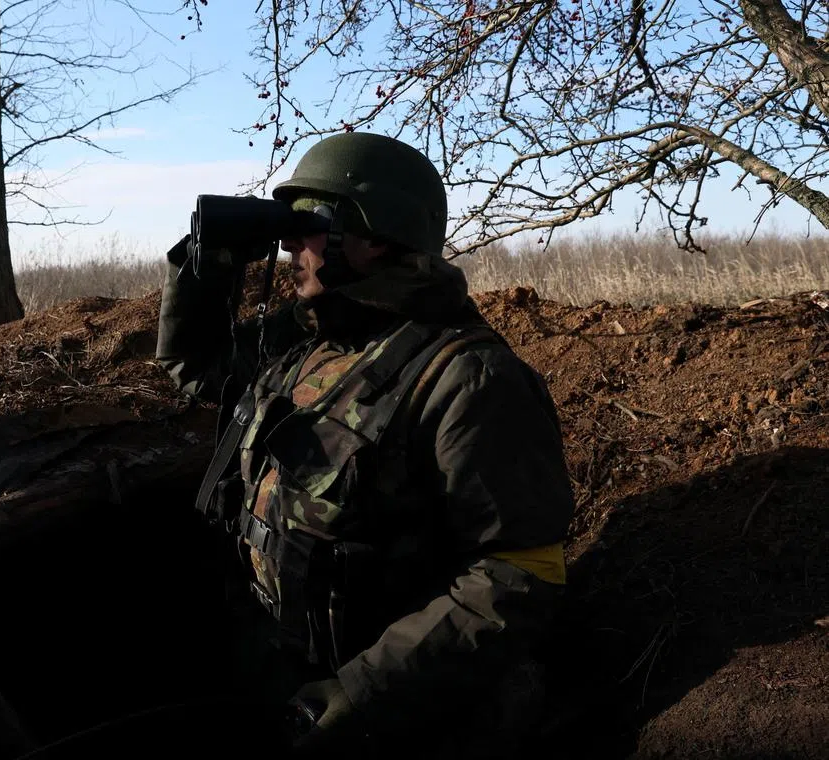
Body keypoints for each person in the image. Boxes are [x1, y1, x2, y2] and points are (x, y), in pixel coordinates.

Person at [155, 132, 575, 758]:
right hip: (275, 662)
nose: (289, 245)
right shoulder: (309, 338)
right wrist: (205, 266)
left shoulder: (467, 379)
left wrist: (362, 692)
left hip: (385, 706)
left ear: (375, 237)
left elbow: (518, 574)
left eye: (307, 226)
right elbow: (194, 366)